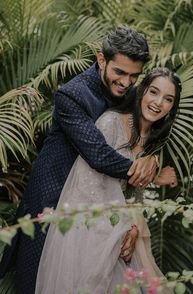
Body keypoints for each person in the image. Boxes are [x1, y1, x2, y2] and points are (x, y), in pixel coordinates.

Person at [0, 26, 159, 294]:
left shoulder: (131, 94)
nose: (126, 82)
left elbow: (142, 137)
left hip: (98, 210)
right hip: (51, 206)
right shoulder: (71, 95)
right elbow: (97, 153)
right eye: (119, 72)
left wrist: (151, 158)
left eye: (134, 75)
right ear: (101, 60)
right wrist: (142, 170)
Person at [35, 67, 181, 294]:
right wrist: (125, 228)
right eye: (154, 92)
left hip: (125, 234)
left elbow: (133, 195)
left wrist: (133, 228)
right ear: (141, 91)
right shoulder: (110, 123)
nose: (158, 102)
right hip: (90, 231)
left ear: (172, 107)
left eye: (168, 99)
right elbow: (89, 188)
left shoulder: (154, 144)